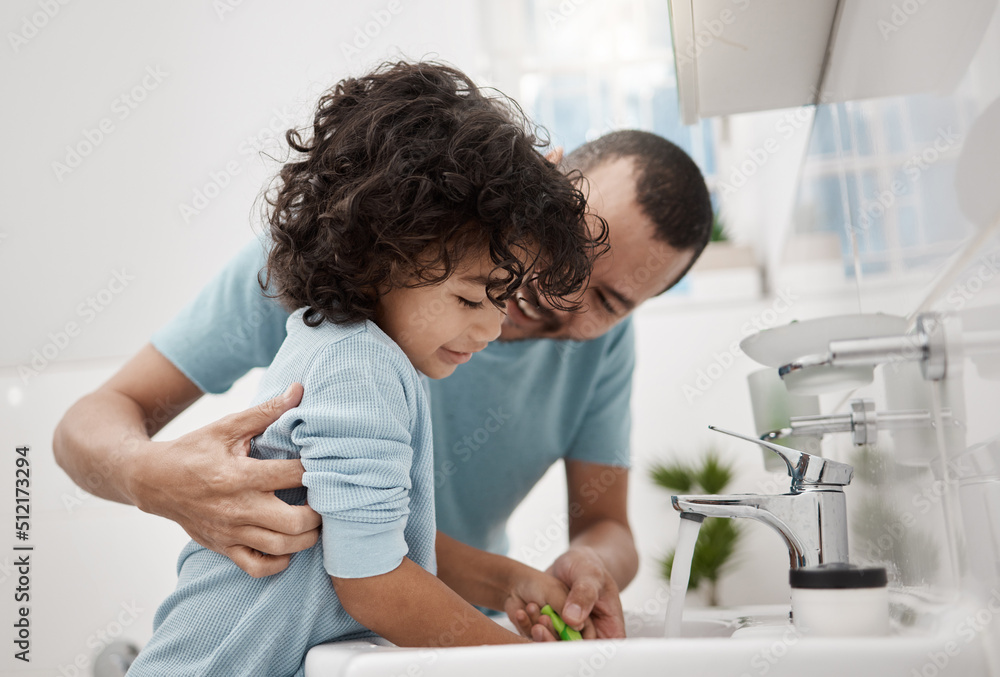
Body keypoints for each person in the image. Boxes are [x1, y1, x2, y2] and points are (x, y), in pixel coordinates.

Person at [54, 123, 713, 640]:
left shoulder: (602, 351)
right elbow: (95, 418)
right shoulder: (327, 262)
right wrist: (150, 476)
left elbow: (604, 523)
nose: (561, 297)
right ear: (541, 180)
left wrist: (586, 568)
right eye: (570, 243)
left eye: (609, 300)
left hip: (434, 635)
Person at [127, 60, 605, 675]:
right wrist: (529, 666)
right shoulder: (361, 366)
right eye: (469, 298)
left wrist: (509, 581)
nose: (490, 329)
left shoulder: (341, 344)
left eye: (501, 301)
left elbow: (365, 539)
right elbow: (374, 581)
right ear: (379, 252)